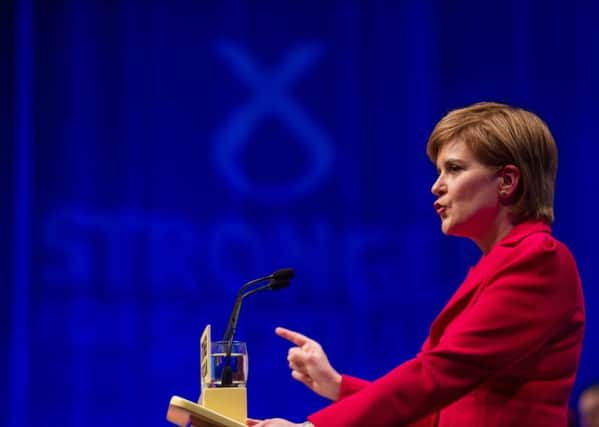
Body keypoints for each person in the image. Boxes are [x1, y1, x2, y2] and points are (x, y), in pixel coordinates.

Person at [194, 102, 586, 427]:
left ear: (507, 181)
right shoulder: (501, 264)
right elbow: (438, 413)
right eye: (439, 172)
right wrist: (338, 387)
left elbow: (438, 375)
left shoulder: (538, 261)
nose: (437, 186)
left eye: (454, 169)